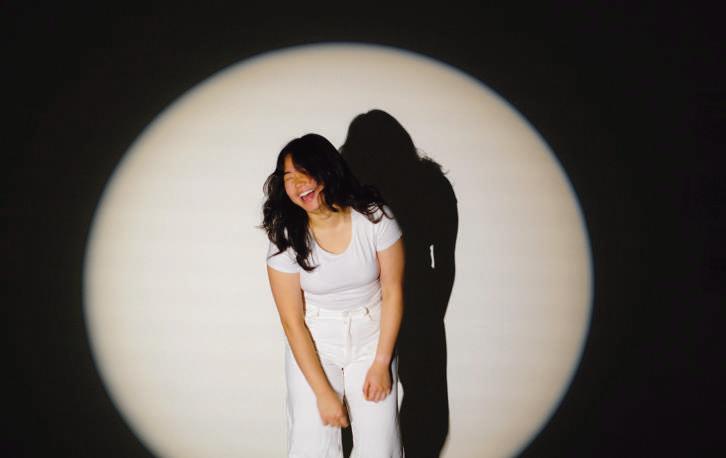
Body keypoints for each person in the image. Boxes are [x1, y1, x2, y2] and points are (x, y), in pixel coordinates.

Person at [262, 133, 404, 457]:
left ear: (327, 170)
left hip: (373, 336)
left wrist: (382, 362)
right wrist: (323, 393)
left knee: (380, 447)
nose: (298, 184)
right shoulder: (285, 235)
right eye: (289, 177)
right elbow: (292, 321)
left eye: (305, 172)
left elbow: (393, 291)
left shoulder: (374, 218)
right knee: (312, 445)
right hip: (316, 339)